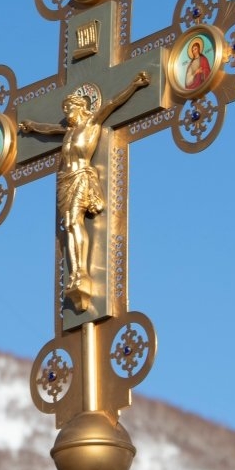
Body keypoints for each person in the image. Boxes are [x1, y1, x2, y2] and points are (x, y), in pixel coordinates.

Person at [19, 70, 151, 312]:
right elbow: (48, 129)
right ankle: (76, 272)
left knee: (76, 222)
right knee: (69, 224)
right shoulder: (68, 132)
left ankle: (82, 272)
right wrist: (31, 126)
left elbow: (111, 103)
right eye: (65, 109)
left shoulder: (91, 123)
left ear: (81, 107)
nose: (66, 113)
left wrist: (134, 84)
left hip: (81, 175)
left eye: (69, 108)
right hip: (65, 179)